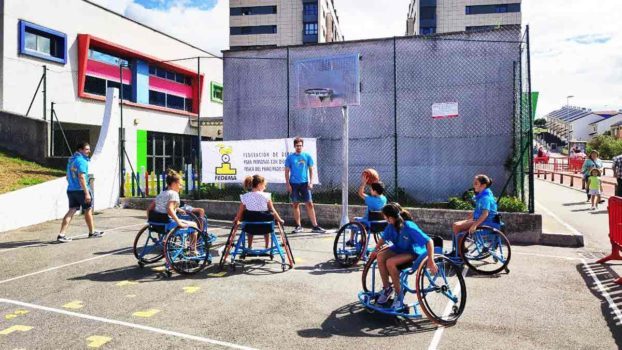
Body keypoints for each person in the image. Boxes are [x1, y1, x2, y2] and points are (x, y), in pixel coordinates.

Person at [373, 203, 438, 310]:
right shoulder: (390, 226)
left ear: (390, 217)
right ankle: (387, 288)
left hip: (413, 252)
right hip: (399, 249)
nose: (384, 218)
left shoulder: (408, 226)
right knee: (380, 256)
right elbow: (383, 239)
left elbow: (429, 241)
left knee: (390, 262)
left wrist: (431, 260)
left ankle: (399, 296)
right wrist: (375, 250)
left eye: (385, 216)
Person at [57, 142, 104, 243]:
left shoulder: (71, 160)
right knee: (88, 209)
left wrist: (72, 184)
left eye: (88, 149)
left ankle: (61, 234)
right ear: (80, 150)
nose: (89, 151)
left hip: (71, 190)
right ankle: (92, 232)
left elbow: (67, 176)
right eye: (86, 149)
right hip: (81, 190)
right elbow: (82, 177)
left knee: (72, 210)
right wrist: (86, 193)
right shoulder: (81, 161)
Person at [147, 170, 198, 254]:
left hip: (156, 224)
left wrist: (178, 209)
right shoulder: (174, 194)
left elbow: (150, 208)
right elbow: (169, 209)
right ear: (174, 184)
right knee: (194, 225)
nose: (181, 187)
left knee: (180, 221)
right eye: (180, 184)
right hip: (167, 224)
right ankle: (193, 250)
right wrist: (179, 222)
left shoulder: (162, 193)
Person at [284, 137, 325, 234]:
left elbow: (311, 170)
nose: (299, 147)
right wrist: (288, 184)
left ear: (302, 146)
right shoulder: (290, 157)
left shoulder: (307, 156)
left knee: (310, 204)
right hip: (293, 184)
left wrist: (311, 182)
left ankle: (315, 226)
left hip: (305, 184)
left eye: (300, 146)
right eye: (297, 145)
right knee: (295, 204)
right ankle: (298, 226)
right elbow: (286, 172)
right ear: (294, 146)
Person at [233, 175, 285, 249]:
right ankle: (267, 247)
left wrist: (237, 219)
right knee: (267, 224)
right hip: (265, 225)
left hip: (250, 225)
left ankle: (249, 246)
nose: (265, 187)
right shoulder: (266, 196)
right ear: (259, 185)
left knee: (249, 226)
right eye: (264, 185)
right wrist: (279, 220)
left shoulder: (245, 196)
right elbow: (272, 209)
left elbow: (240, 211)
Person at [452, 174, 499, 239]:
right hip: (481, 220)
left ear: (483, 185)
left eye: (476, 183)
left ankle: (460, 249)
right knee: (455, 224)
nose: (474, 185)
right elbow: (478, 211)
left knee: (457, 226)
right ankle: (460, 247)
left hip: (486, 222)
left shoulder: (486, 198)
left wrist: (474, 225)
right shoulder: (481, 196)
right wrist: (467, 220)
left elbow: (485, 214)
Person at [347, 177, 387, 246]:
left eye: (371, 190)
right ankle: (361, 240)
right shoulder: (384, 199)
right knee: (361, 222)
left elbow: (360, 193)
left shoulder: (371, 200)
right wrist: (377, 184)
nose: (370, 191)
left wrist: (364, 183)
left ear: (375, 191)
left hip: (369, 223)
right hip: (380, 224)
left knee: (353, 221)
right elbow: (380, 190)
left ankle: (351, 240)